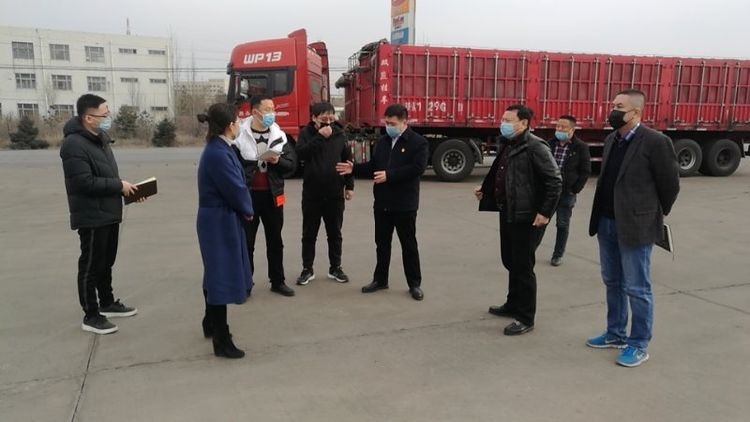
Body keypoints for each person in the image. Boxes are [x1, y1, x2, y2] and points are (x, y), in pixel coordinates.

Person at [586, 89, 680, 367]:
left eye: (619, 106)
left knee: (637, 287)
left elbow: (670, 185)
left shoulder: (656, 142)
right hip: (606, 222)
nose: (613, 110)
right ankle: (615, 333)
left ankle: (638, 343)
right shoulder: (611, 139)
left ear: (636, 112)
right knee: (612, 281)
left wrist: (651, 214)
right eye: (613, 104)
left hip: (635, 225)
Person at [475, 104, 562, 335]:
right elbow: (502, 172)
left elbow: (554, 181)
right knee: (510, 261)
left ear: (523, 123)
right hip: (509, 212)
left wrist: (544, 213)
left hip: (527, 216)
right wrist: (486, 190)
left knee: (523, 266)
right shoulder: (509, 143)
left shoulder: (535, 147)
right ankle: (512, 303)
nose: (502, 123)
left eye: (508, 120)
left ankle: (525, 317)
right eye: (502, 119)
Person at [60, 94, 140, 335]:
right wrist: (118, 186)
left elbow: (108, 176)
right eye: (104, 115)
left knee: (106, 262)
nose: (108, 118)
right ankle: (91, 315)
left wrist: (129, 191)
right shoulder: (73, 145)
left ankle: (107, 302)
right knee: (91, 265)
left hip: (109, 211)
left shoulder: (100, 139)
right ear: (88, 117)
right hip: (92, 215)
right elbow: (83, 182)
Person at [339, 104, 428, 301]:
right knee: (382, 244)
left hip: (405, 203)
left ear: (405, 122)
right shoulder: (383, 141)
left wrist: (390, 175)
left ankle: (414, 284)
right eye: (386, 123)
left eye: (392, 123)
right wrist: (354, 169)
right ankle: (380, 279)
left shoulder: (418, 142)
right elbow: (374, 166)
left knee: (408, 245)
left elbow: (418, 168)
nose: (389, 127)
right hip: (382, 202)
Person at [196, 103, 254, 359]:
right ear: (230, 125)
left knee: (214, 272)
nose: (240, 124)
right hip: (218, 219)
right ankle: (222, 338)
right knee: (220, 275)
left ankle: (210, 322)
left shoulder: (220, 148)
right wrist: (247, 209)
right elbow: (235, 187)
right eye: (238, 120)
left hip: (219, 217)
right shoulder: (218, 153)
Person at [234, 95, 298, 297]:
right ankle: (246, 283)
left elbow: (292, 166)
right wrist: (251, 166)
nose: (272, 113)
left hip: (273, 196)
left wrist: (277, 161)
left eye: (273, 109)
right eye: (268, 109)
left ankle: (278, 281)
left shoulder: (279, 135)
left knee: (275, 240)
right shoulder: (239, 136)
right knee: (247, 242)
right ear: (255, 112)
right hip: (249, 197)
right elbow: (233, 167)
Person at [294, 102, 354, 286]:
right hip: (312, 193)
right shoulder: (306, 134)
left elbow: (348, 162)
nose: (328, 121)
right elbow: (301, 154)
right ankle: (307, 269)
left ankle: (335, 267)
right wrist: (319, 137)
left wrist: (349, 186)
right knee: (309, 233)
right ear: (314, 118)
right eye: (323, 118)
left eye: (331, 117)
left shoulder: (340, 134)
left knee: (335, 233)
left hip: (335, 193)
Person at [547, 115, 591, 266]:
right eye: (558, 126)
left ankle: (557, 254)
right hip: (549, 192)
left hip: (566, 193)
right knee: (540, 222)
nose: (559, 129)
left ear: (572, 130)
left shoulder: (580, 147)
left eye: (563, 127)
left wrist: (575, 189)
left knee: (562, 224)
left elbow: (585, 171)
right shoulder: (549, 144)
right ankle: (530, 250)